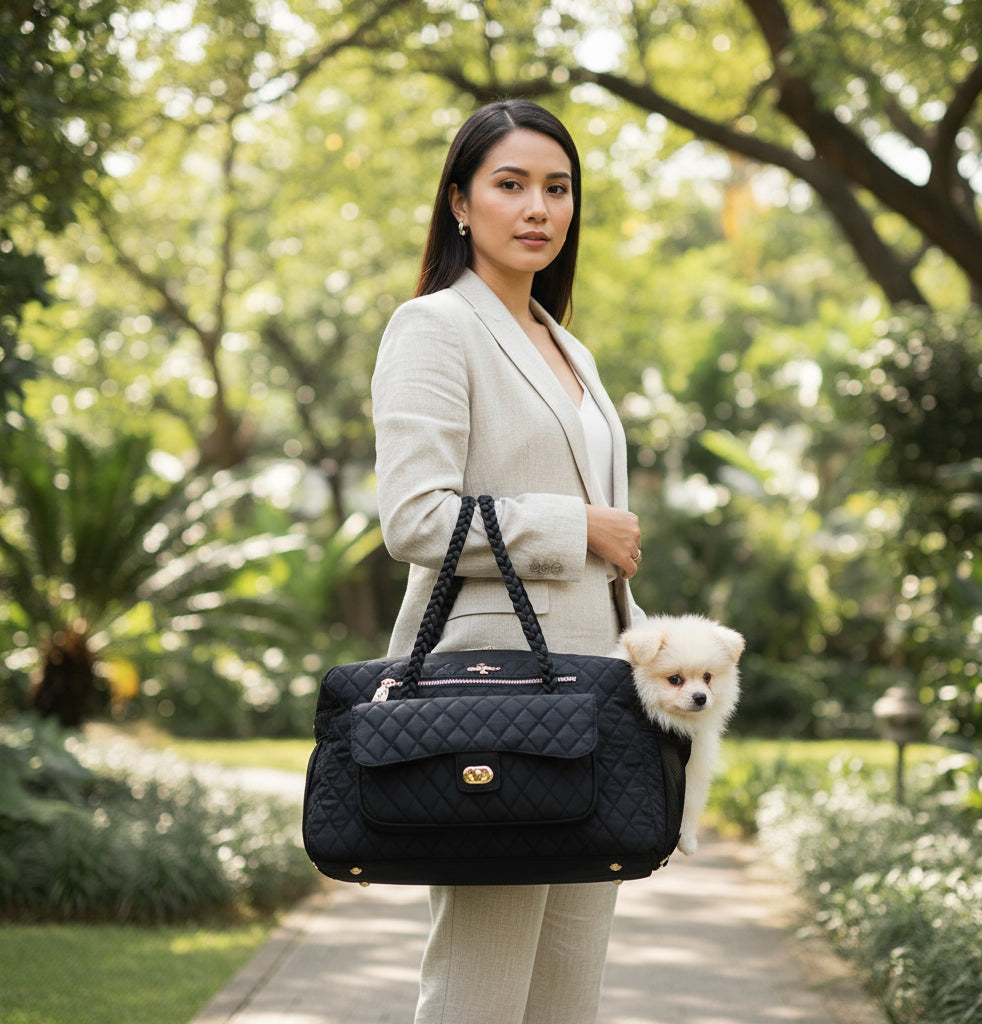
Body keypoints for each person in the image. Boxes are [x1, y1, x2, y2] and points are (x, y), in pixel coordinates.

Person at [371, 98, 645, 1024]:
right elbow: (415, 518)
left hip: (596, 696)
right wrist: (579, 528)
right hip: (492, 702)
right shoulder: (434, 327)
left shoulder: (573, 350)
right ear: (460, 202)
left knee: (570, 992)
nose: (539, 208)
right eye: (511, 184)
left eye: (558, 188)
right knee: (479, 991)